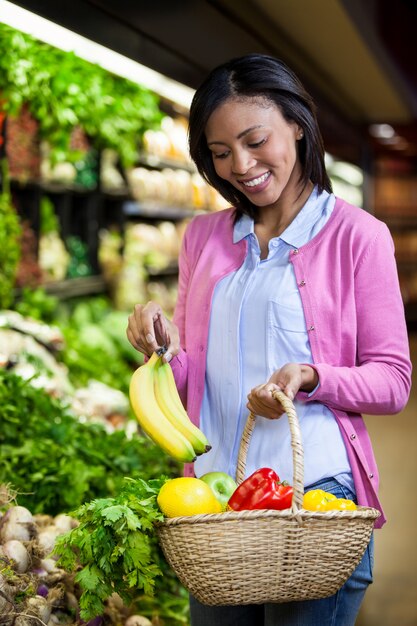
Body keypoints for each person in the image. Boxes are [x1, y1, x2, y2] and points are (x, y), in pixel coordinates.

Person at [126, 53, 412, 626]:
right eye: (221, 152)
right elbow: (190, 381)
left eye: (256, 141)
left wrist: (312, 376)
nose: (242, 165)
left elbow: (394, 380)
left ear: (298, 128)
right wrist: (161, 349)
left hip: (315, 498)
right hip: (215, 500)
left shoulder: (358, 236)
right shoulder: (203, 237)